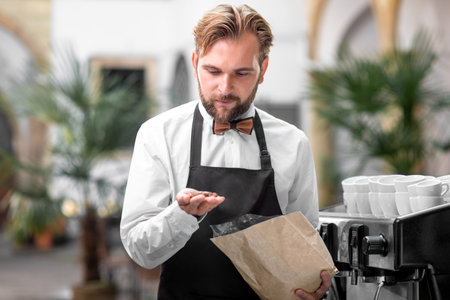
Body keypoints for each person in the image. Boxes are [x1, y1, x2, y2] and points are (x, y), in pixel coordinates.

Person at [120, 4, 331, 300]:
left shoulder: (293, 143)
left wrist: (315, 284)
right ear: (195, 62)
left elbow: (306, 246)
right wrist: (181, 215)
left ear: (263, 70)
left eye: (242, 73)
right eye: (212, 71)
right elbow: (140, 251)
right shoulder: (158, 136)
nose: (224, 88)